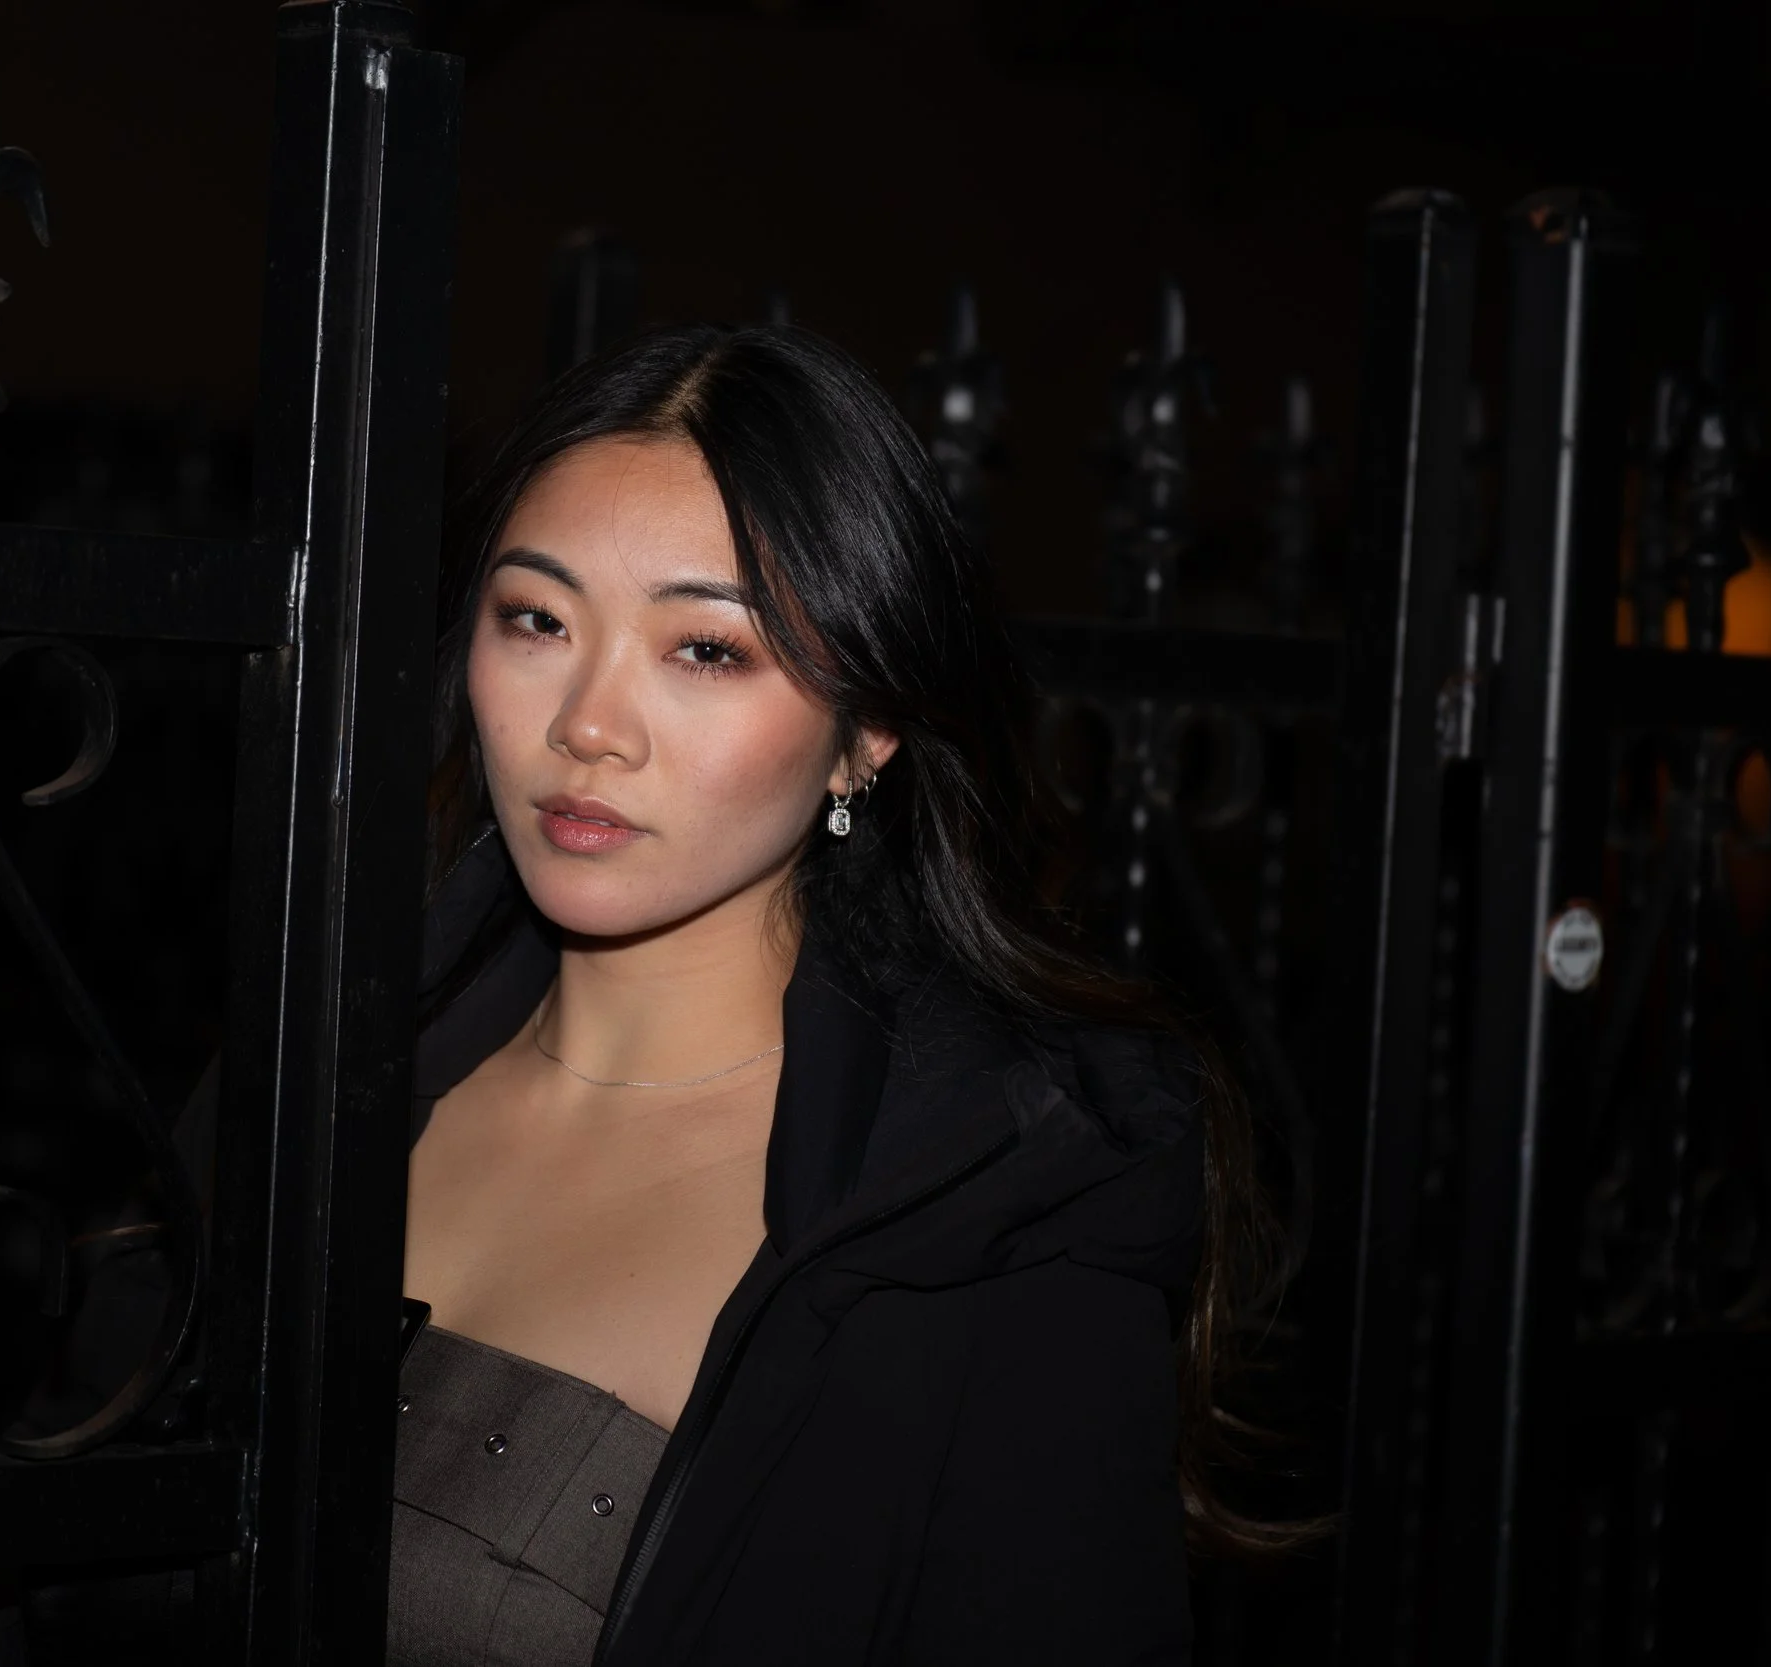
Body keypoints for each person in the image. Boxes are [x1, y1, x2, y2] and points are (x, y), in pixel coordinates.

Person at [391, 323, 1274, 1667]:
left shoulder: (990, 1220)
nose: (586, 723)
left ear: (865, 735)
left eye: (705, 650)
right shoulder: (323, 1066)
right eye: (538, 619)